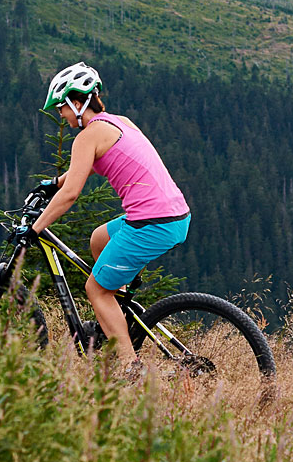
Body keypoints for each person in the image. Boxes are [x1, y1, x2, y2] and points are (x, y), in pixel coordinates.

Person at [18, 62, 191, 374]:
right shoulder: (117, 123)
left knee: (95, 290)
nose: (61, 115)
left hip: (152, 223)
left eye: (61, 108)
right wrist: (50, 184)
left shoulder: (86, 137)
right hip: (174, 216)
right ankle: (120, 313)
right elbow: (85, 168)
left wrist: (35, 227)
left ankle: (129, 367)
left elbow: (71, 194)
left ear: (75, 101)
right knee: (99, 239)